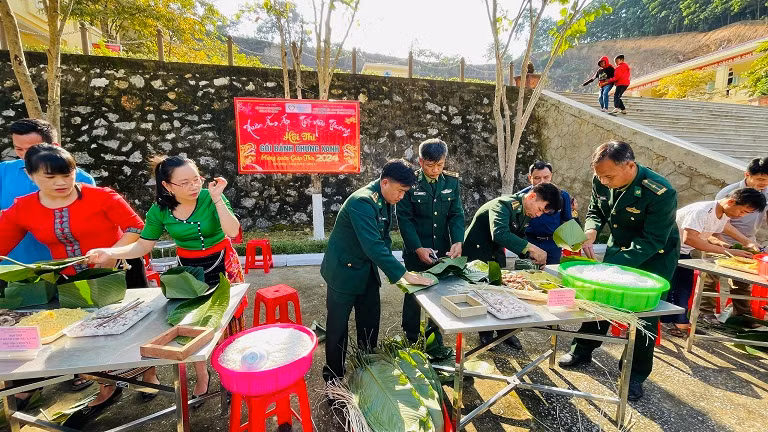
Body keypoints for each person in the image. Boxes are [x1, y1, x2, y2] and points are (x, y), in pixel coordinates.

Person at [0, 145, 157, 424]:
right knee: (90, 337)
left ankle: (148, 374)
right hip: (72, 279)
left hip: (120, 270)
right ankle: (107, 386)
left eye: (67, 174)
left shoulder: (102, 197)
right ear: (30, 175)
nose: (61, 183)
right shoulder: (23, 208)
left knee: (136, 331)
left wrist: (112, 252)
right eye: (50, 177)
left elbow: (136, 229)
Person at [87, 155, 243, 405]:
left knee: (229, 320)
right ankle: (202, 376)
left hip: (223, 263)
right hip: (188, 272)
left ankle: (234, 369)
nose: (194, 186)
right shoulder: (159, 210)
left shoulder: (210, 197)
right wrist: (111, 252)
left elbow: (232, 231)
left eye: (197, 179)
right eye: (185, 182)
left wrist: (216, 198)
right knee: (191, 324)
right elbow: (143, 245)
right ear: (168, 186)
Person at [557, 141, 679, 402]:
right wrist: (590, 231)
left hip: (654, 257)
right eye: (600, 176)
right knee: (599, 300)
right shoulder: (602, 177)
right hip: (620, 246)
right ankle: (582, 349)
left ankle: (634, 375)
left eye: (609, 176)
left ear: (630, 166)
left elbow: (653, 239)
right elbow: (595, 210)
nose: (604, 181)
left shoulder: (660, 192)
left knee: (644, 316)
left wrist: (613, 267)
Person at [320, 159, 432, 384]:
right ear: (385, 182)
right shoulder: (362, 202)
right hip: (343, 271)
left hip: (367, 269)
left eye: (405, 192)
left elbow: (384, 238)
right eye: (400, 191)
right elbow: (373, 245)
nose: (401, 197)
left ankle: (366, 367)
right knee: (337, 329)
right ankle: (333, 377)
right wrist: (403, 274)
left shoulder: (386, 198)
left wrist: (394, 269)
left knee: (370, 322)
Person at [463, 183, 562, 349]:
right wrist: (532, 248)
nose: (538, 215)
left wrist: (531, 257)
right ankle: (486, 334)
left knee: (503, 292)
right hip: (477, 254)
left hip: (495, 254)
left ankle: (505, 332)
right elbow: (500, 233)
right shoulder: (503, 205)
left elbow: (519, 235)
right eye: (540, 209)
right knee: (483, 294)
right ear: (531, 196)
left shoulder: (524, 211)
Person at [663, 188, 766, 337]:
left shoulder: (722, 213)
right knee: (678, 288)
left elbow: (711, 233)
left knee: (684, 287)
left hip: (682, 251)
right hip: (667, 249)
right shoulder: (702, 211)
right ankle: (677, 323)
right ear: (731, 202)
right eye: (742, 211)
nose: (741, 216)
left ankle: (679, 323)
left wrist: (727, 246)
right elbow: (690, 238)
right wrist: (728, 252)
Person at [397, 139, 464, 357]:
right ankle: (411, 337)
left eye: (440, 165)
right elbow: (404, 219)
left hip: (442, 249)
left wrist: (457, 241)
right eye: (430, 165)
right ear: (420, 161)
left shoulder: (451, 183)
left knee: (439, 292)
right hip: (416, 250)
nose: (435, 170)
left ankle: (435, 340)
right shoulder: (410, 183)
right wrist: (417, 248)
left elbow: (456, 214)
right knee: (414, 292)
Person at [1, 119, 95, 265]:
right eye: (19, 149)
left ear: (54, 146)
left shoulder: (82, 179)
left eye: (32, 149)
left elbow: (88, 224)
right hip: (9, 266)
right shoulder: (4, 171)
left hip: (63, 267)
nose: (26, 156)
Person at [700, 157, 768, 326]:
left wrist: (748, 242)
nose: (764, 183)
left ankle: (742, 315)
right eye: (760, 179)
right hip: (718, 239)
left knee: (743, 282)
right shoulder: (729, 192)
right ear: (747, 175)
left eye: (767, 180)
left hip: (749, 241)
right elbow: (721, 222)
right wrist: (736, 243)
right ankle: (703, 314)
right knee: (710, 279)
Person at [518, 161, 573, 265]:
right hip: (530, 243)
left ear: (551, 176)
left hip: (553, 244)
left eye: (546, 177)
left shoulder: (562, 196)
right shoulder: (522, 197)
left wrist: (571, 249)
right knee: (527, 276)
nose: (542, 181)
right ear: (530, 178)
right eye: (537, 178)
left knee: (552, 275)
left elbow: (567, 222)